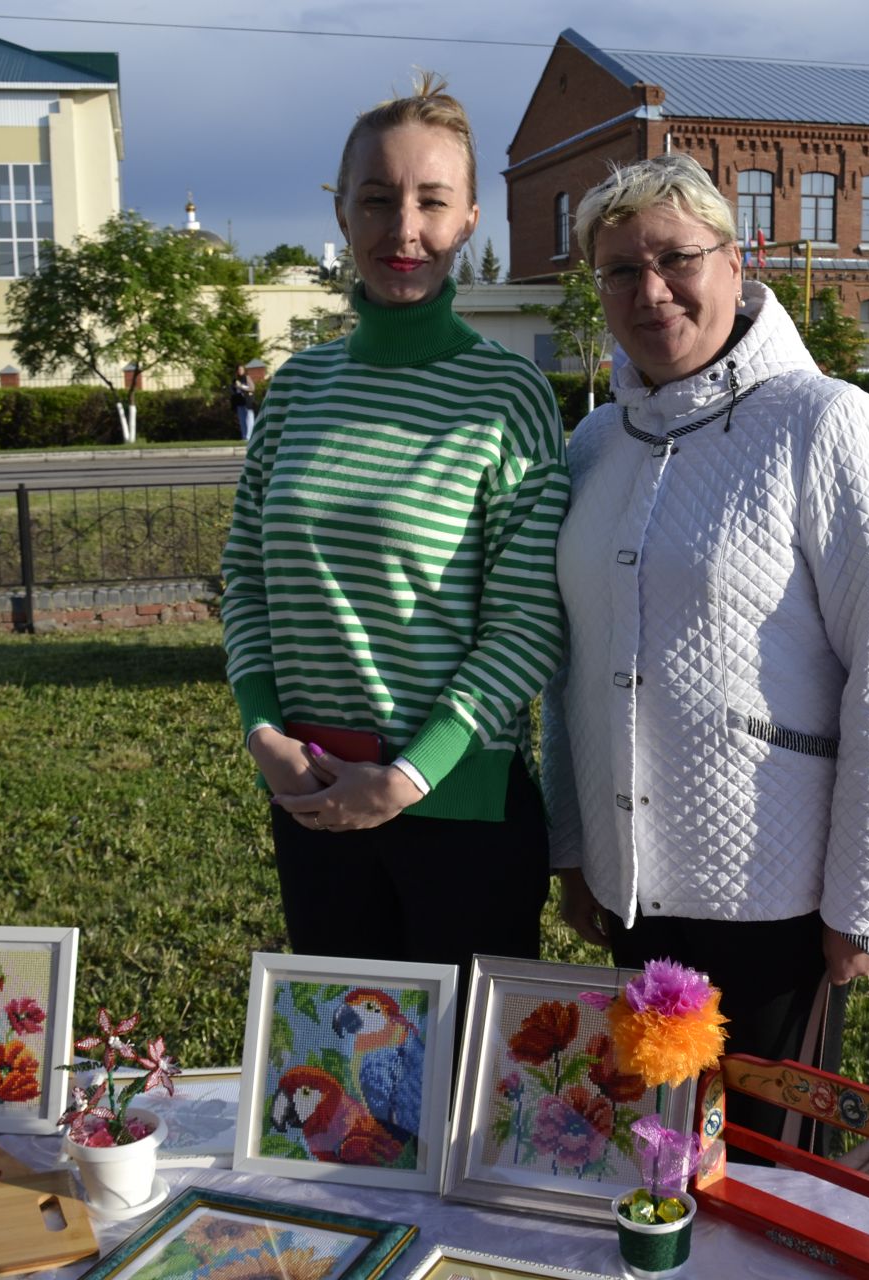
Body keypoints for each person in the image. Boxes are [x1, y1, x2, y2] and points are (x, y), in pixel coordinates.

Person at [541, 154, 869, 1140]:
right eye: (620, 272)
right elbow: (568, 666)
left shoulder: (827, 424)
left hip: (779, 906)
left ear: (737, 258)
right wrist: (575, 850)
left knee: (770, 1179)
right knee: (654, 1152)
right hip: (635, 897)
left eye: (676, 258)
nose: (651, 290)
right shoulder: (593, 445)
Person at [219, 75, 569, 982]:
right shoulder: (296, 390)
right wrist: (263, 733)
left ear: (468, 222)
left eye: (430, 201)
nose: (401, 228)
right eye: (376, 200)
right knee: (350, 1105)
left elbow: (527, 622)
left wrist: (410, 777)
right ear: (342, 213)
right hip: (311, 800)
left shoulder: (508, 396)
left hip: (461, 819)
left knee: (464, 1105)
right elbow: (248, 583)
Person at [230, 366, 257, 442]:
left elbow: (252, 388)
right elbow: (232, 390)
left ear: (244, 370)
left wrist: (241, 387)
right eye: (238, 369)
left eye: (241, 369)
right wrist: (234, 387)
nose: (240, 371)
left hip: (247, 401)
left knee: (249, 418)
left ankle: (249, 436)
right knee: (242, 420)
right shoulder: (235, 379)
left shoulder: (247, 378)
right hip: (239, 400)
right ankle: (244, 436)